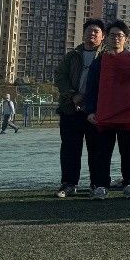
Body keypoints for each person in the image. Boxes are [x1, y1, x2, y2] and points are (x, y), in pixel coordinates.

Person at [84, 19, 130, 199]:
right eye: (112, 35)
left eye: (119, 35)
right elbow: (91, 88)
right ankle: (102, 185)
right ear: (107, 38)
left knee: (129, 150)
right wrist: (90, 111)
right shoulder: (100, 61)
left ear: (126, 39)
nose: (116, 38)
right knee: (103, 150)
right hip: (105, 113)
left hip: (128, 114)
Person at [54, 18, 106, 198]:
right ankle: (69, 183)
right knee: (70, 148)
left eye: (96, 31)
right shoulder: (72, 55)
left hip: (95, 111)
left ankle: (96, 184)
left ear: (103, 36)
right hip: (71, 109)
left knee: (96, 149)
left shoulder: (107, 57)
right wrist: (72, 95)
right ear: (83, 34)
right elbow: (60, 77)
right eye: (89, 30)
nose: (92, 34)